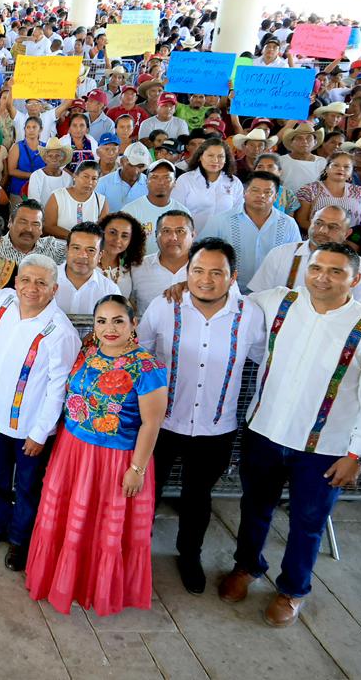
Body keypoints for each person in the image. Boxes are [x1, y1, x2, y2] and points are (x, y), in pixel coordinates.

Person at [220, 244, 361, 627]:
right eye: (316, 268)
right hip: (264, 432)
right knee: (254, 508)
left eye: (335, 271)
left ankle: (292, 589)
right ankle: (247, 566)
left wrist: (358, 454)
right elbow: (226, 298)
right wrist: (180, 289)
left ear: (355, 279)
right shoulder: (277, 301)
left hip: (326, 448)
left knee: (308, 521)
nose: (322, 277)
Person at [138, 238, 266, 594]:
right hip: (161, 424)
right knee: (147, 492)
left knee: (197, 498)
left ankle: (190, 555)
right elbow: (140, 353)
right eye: (197, 270)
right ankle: (135, 552)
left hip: (216, 426)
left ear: (233, 277)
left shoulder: (251, 315)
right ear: (187, 272)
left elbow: (263, 358)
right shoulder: (164, 306)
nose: (205, 279)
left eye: (216, 272)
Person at [26, 295, 168, 616]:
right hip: (73, 451)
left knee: (103, 526)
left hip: (115, 460)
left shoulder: (147, 367)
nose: (109, 328)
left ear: (133, 324)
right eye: (102, 321)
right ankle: (63, 581)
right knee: (69, 520)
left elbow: (151, 423)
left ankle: (95, 587)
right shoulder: (88, 350)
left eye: (118, 320)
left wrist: (137, 469)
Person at [0, 254, 81, 570]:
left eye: (41, 283)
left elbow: (59, 388)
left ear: (54, 289)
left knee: (28, 487)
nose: (32, 288)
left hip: (30, 429)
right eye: (26, 280)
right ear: (16, 282)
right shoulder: (5, 301)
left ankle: (20, 539)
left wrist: (40, 432)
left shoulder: (60, 331)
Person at [247, 205, 361, 311]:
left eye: (333, 227)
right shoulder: (280, 254)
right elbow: (257, 300)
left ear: (347, 233)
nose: (322, 230)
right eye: (318, 223)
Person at [199, 171, 301, 293]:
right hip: (230, 292)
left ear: (275, 197)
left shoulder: (289, 224)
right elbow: (200, 253)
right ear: (244, 192)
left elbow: (297, 260)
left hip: (273, 294)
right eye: (255, 190)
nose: (261, 195)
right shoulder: (220, 221)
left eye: (267, 192)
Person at [121, 159, 190, 255]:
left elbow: (186, 246)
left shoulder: (183, 213)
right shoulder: (129, 211)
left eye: (167, 177)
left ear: (174, 182)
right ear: (146, 181)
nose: (161, 182)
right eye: (154, 177)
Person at [131, 210, 195, 312]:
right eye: (166, 231)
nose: (173, 238)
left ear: (192, 235)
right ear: (156, 235)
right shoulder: (137, 267)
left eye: (180, 231)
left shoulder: (206, 269)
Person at [296, 151, 361, 231]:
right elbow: (301, 221)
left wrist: (348, 236)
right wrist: (327, 233)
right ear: (326, 168)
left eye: (346, 167)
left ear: (351, 172)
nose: (341, 169)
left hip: (350, 238)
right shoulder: (309, 190)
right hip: (317, 237)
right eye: (335, 165)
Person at [55, 222, 120, 315]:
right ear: (67, 250)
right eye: (76, 248)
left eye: (91, 250)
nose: (82, 255)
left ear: (100, 255)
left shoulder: (110, 291)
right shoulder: (45, 280)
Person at [42, 160, 107, 240]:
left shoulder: (101, 201)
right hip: (59, 244)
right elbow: (48, 226)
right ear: (75, 176)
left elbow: (102, 231)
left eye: (94, 179)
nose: (90, 182)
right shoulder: (58, 196)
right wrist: (75, 238)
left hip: (88, 246)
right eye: (85, 176)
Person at [0, 199, 66, 264]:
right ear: (10, 222)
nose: (29, 229)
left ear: (41, 229)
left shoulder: (51, 247)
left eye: (35, 224)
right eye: (23, 222)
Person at [95, 142, 152, 212]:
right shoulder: (102, 184)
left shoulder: (151, 184)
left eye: (140, 167)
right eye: (131, 165)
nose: (136, 171)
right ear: (122, 162)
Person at [97, 211, 144, 295]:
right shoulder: (87, 264)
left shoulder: (130, 268)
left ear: (131, 241)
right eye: (112, 232)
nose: (118, 240)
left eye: (124, 236)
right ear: (101, 232)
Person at [5, 117, 45, 206]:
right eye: (28, 127)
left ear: (41, 129)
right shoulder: (17, 147)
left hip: (40, 190)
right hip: (18, 191)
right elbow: (11, 171)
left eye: (34, 127)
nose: (31, 130)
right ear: (24, 129)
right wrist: (33, 176)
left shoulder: (46, 147)